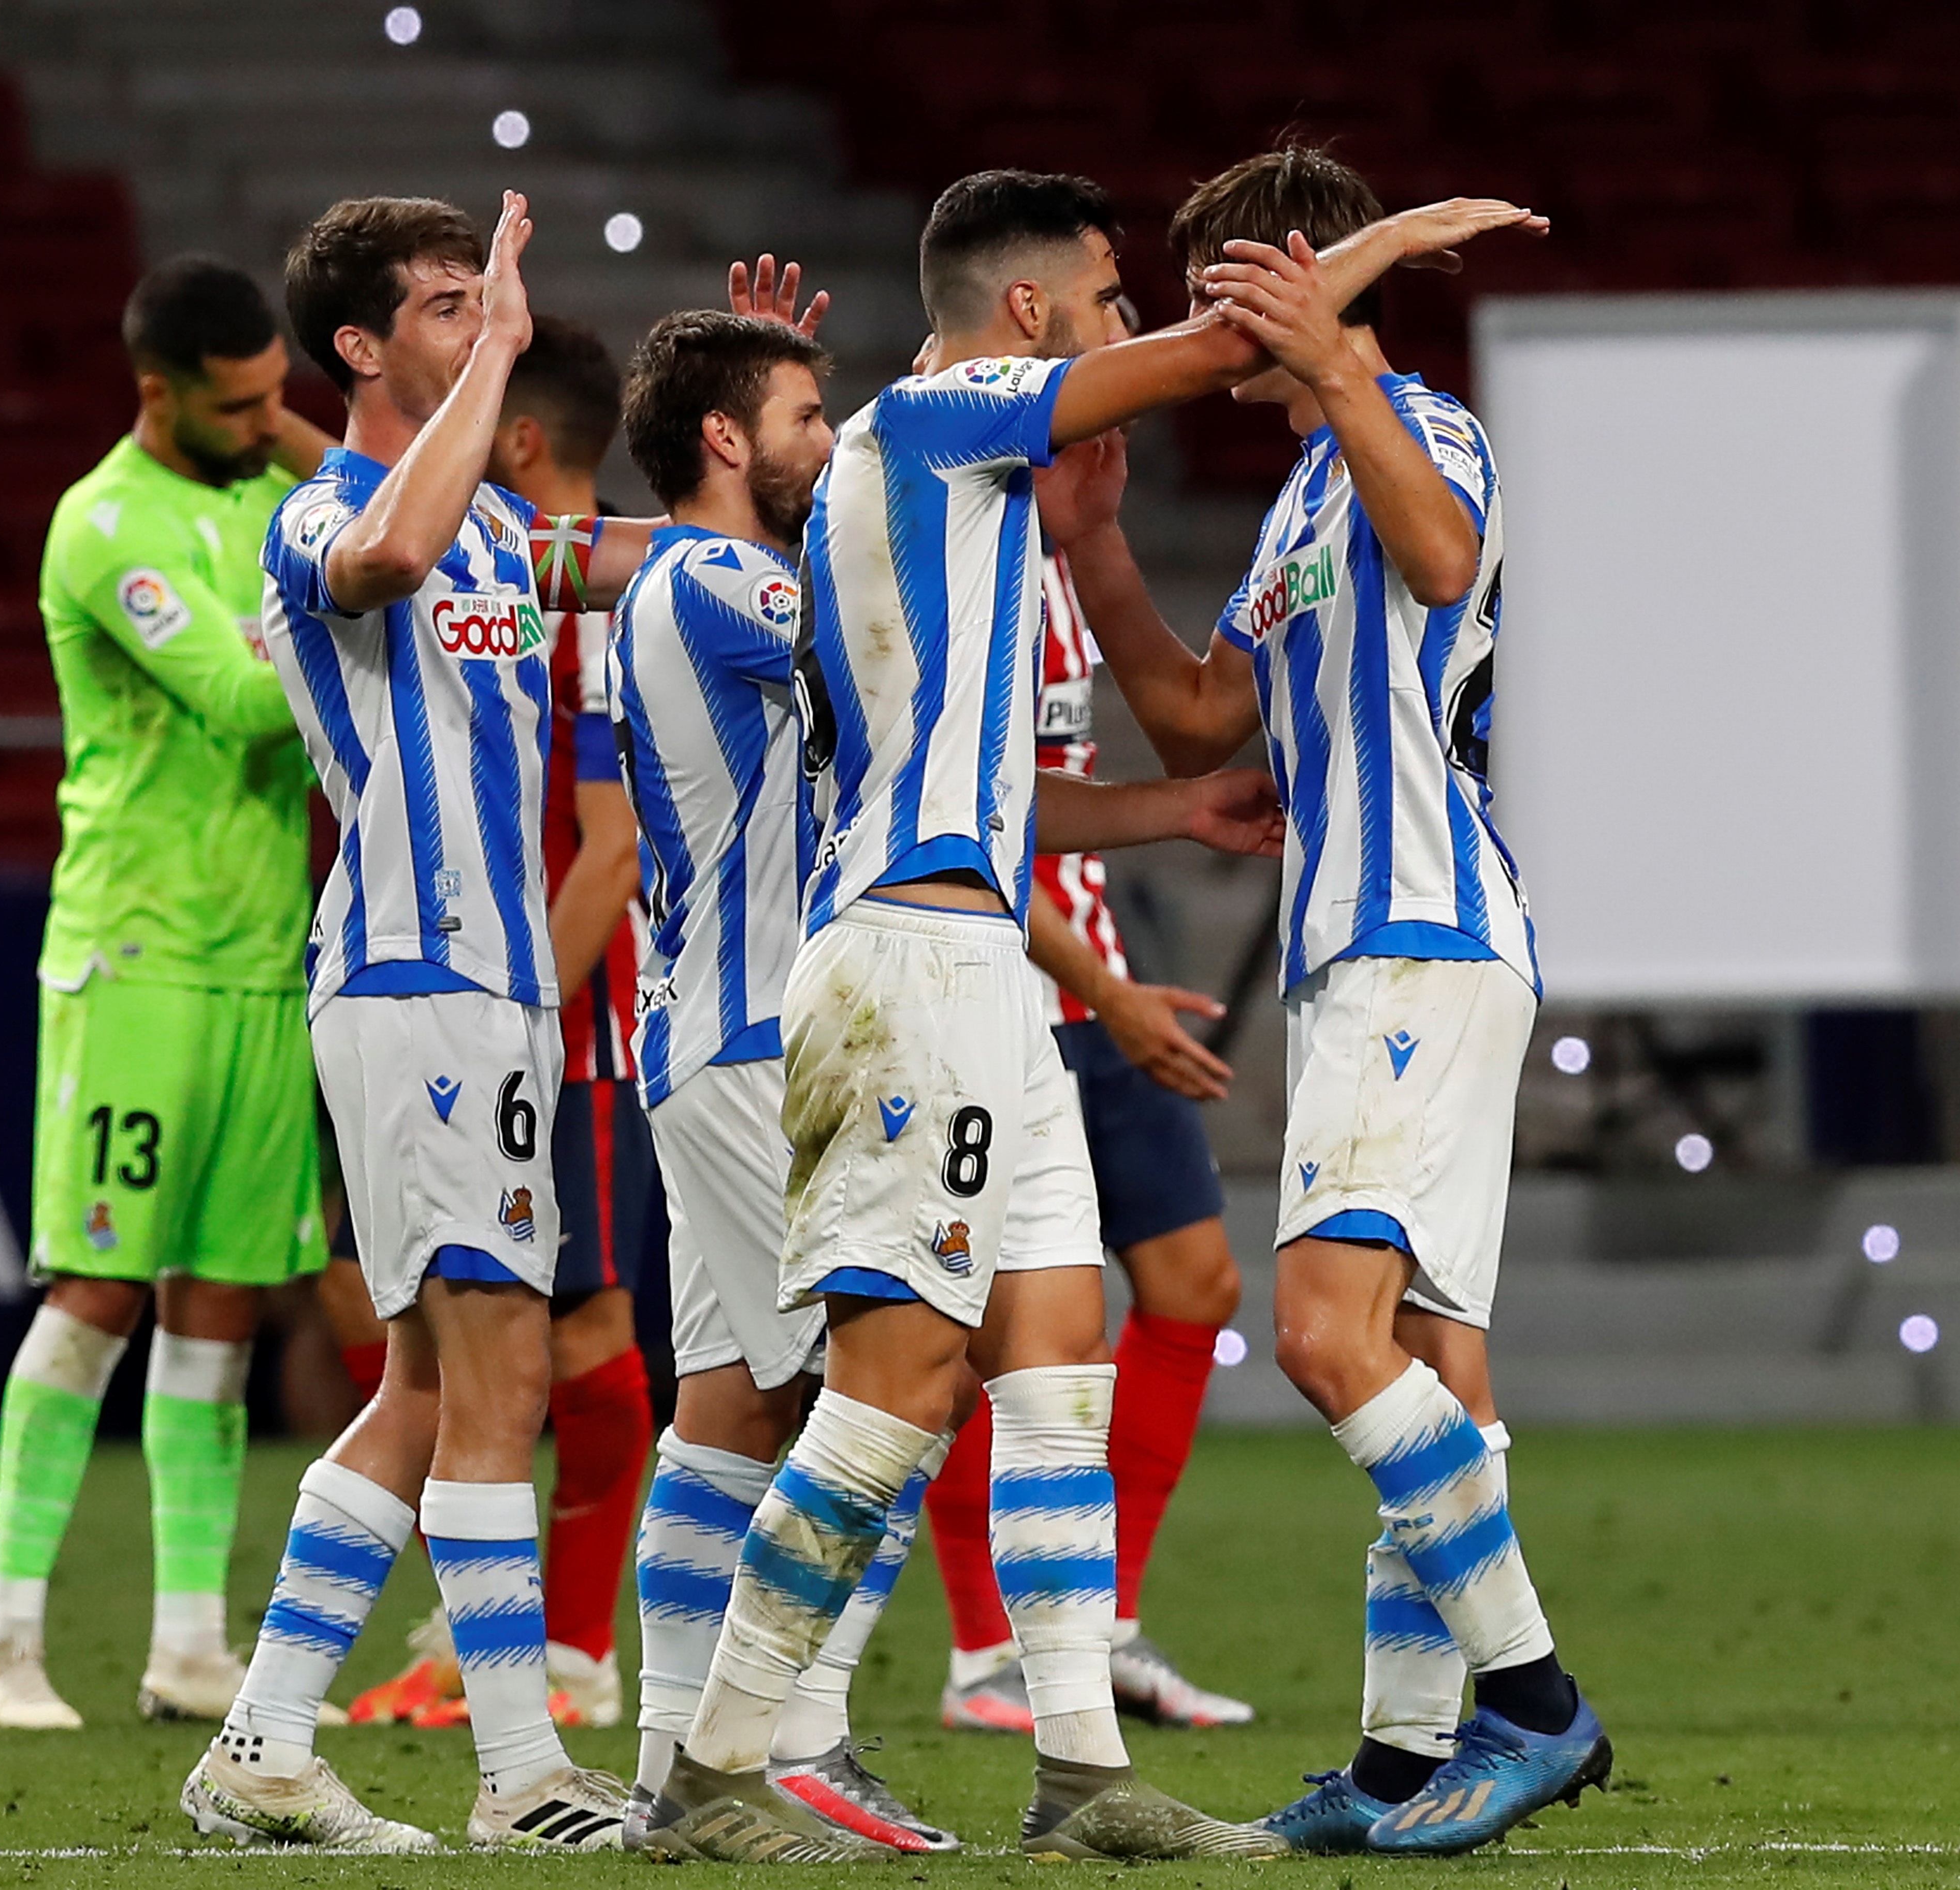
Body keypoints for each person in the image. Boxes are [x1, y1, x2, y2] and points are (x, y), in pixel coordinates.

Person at [639, 169, 1527, 1865]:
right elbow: (1212, 352)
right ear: (1029, 312)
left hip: (971, 961)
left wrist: (1158, 814)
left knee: (1056, 1357)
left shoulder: (940, 506)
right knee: (896, 1378)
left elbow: (975, 779)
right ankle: (711, 1759)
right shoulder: (937, 415)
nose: (1132, 325)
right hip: (905, 965)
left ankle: (1075, 1765)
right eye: (1110, 295)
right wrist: (1374, 256)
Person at [1054, 142, 1607, 1857]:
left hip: (1422, 935)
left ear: (1298, 278)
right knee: (1432, 1353)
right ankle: (1397, 1755)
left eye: (1222, 296)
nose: (1201, 334)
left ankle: (1530, 1697)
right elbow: (1209, 717)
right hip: (1363, 951)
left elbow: (1444, 563)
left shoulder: (1416, 426)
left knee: (1318, 1335)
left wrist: (1350, 357)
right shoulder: (1298, 495)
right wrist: (1097, 551)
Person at [181, 192, 666, 1855]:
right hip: (416, 978)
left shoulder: (494, 534)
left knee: (414, 1385)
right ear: (362, 350)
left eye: (488, 298)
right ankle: (524, 1773)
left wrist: (806, 531)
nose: (486, 322)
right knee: (502, 1378)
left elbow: (637, 567)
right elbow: (387, 551)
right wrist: (505, 361)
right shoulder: (323, 518)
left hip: (491, 993)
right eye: (451, 305)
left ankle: (260, 1744)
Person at [0, 256, 340, 1732]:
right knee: (102, 1287)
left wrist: (313, 527)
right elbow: (251, 697)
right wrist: (328, 606)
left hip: (260, 955)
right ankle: (6, 1638)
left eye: (278, 399)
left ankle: (190, 1644)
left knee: (227, 1302)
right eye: (240, 403)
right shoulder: (102, 525)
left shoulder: (264, 498)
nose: (266, 424)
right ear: (156, 394)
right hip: (134, 953)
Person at [607, 300, 957, 1856]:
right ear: (728, 440)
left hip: (722, 1039)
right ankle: (792, 1742)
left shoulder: (697, 579)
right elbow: (898, 644)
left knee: (733, 1409)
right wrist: (944, 430)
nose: (830, 443)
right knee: (899, 1378)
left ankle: (671, 1758)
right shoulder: (720, 578)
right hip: (754, 1047)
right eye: (808, 417)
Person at [342, 316, 657, 1735]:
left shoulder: (575, 605)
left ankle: (568, 1650)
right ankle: (507, 1634)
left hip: (564, 1028)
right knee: (432, 1326)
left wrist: (524, 1017)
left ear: (516, 445)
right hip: (513, 1009)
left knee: (571, 1341)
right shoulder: (502, 577)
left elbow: (606, 852)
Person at [926, 547, 1257, 1737]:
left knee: (1193, 1285)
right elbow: (965, 826)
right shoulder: (962, 555)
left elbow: (1054, 796)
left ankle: (1102, 1623)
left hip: (1094, 977)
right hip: (998, 993)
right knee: (989, 1344)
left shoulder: (1060, 555)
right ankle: (980, 1652)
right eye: (1101, 348)